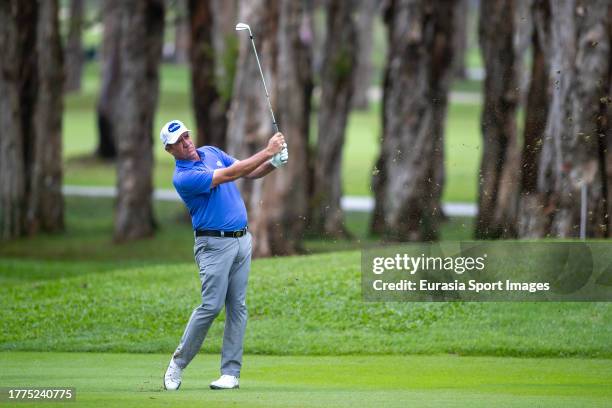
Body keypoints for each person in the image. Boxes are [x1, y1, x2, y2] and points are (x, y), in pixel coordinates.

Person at [160, 120, 288, 390]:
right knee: (211, 306)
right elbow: (229, 176)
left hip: (242, 240)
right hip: (213, 246)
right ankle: (178, 364)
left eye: (186, 136)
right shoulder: (183, 177)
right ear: (170, 150)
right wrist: (267, 151)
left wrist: (273, 162)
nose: (186, 142)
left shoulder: (211, 152)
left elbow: (247, 172)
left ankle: (230, 373)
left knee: (238, 307)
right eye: (178, 142)